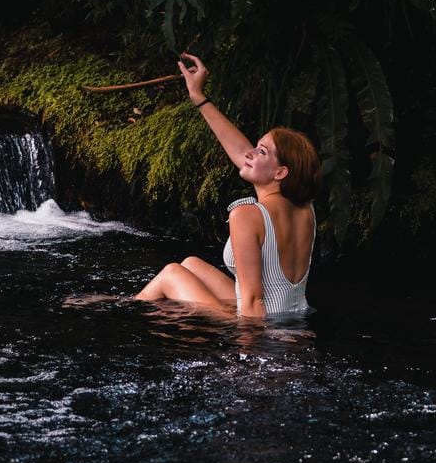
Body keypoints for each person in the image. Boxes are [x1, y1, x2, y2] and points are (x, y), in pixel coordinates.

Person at [135, 53, 319, 318]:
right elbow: (242, 152)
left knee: (171, 274)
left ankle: (118, 314)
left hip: (261, 324)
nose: (250, 153)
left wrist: (246, 355)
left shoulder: (247, 214)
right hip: (293, 316)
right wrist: (198, 95)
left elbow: (254, 299)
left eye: (261, 152)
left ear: (280, 172)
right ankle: (124, 302)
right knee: (191, 265)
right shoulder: (304, 208)